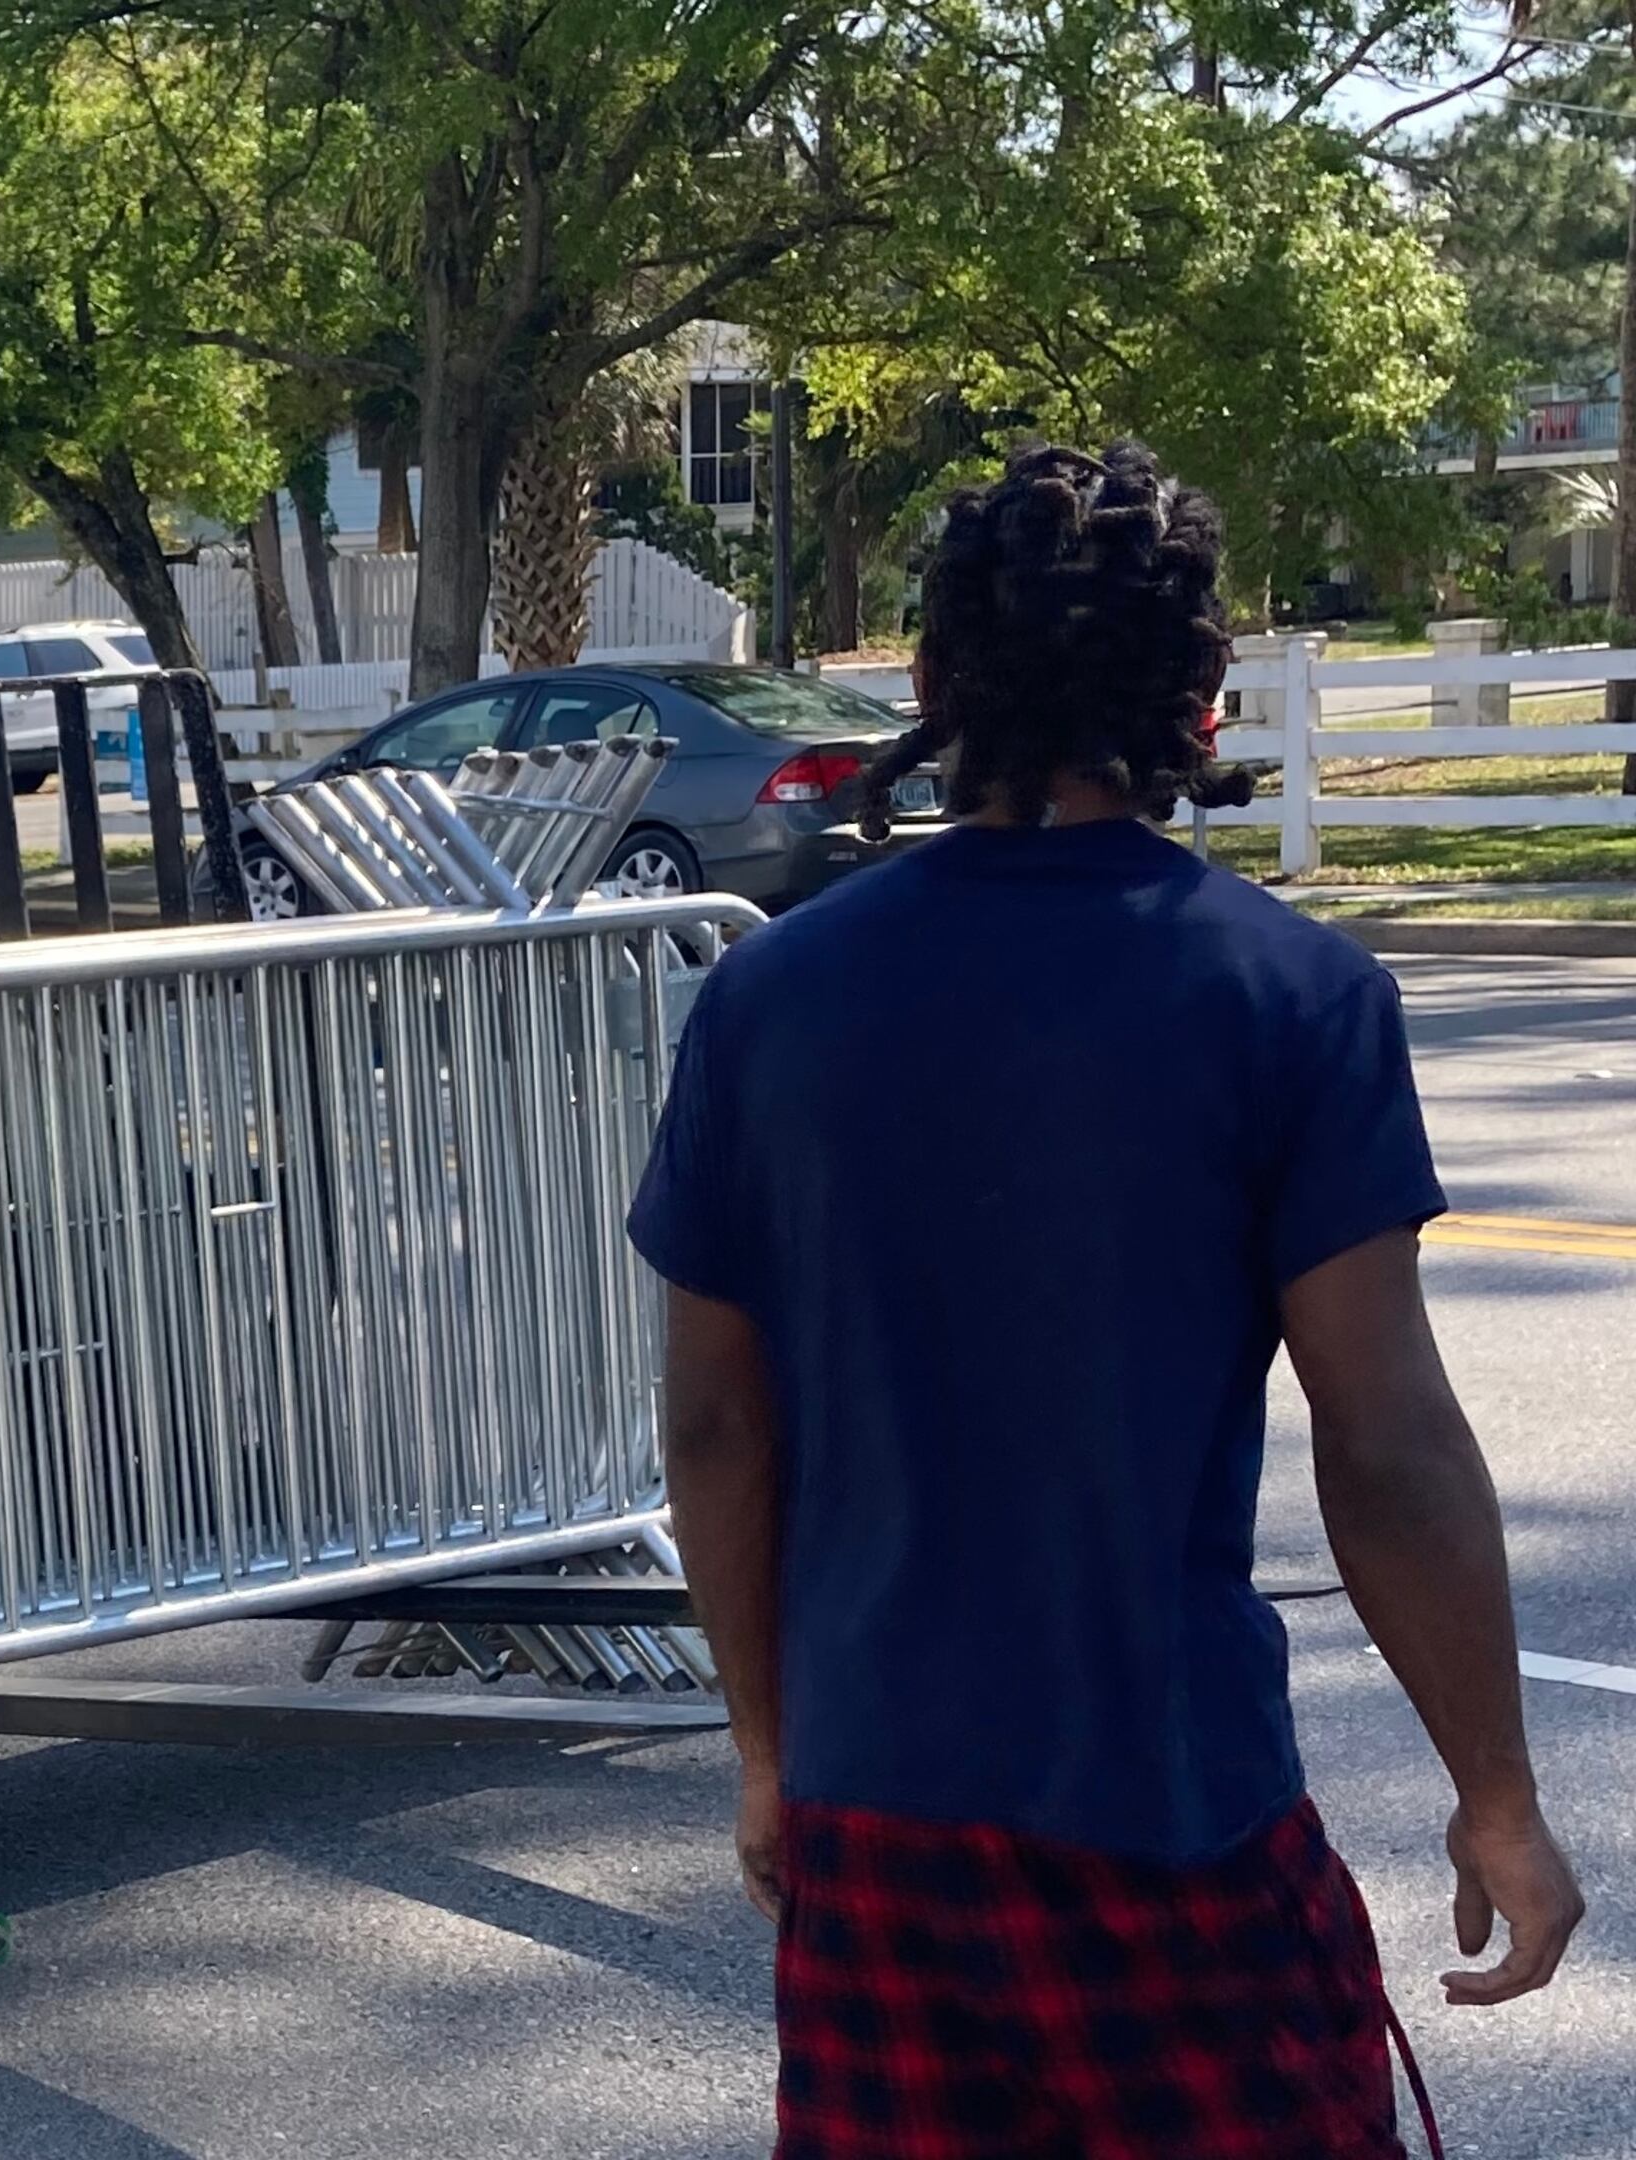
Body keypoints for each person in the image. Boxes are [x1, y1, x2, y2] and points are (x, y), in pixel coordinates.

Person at [633, 442, 1582, 2159]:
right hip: (1174, 1809)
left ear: (929, 686)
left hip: (879, 1815)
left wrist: (768, 1746)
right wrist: (1496, 1796)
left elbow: (713, 1421)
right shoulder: (1294, 996)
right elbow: (1387, 1450)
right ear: (1202, 696)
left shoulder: (769, 1003)